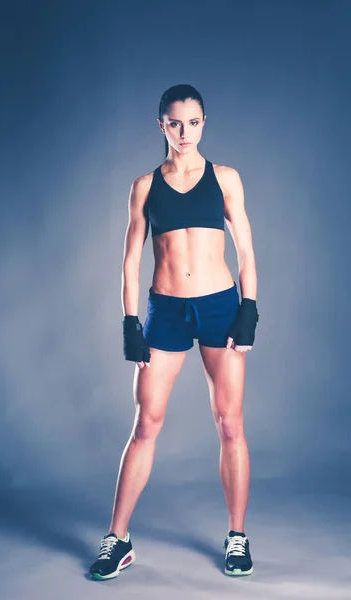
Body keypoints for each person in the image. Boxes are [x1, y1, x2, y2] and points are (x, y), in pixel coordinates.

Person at [89, 84, 259, 581]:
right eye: (175, 123)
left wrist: (248, 309)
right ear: (161, 124)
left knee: (230, 424)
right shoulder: (144, 186)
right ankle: (118, 539)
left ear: (206, 122)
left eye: (194, 122)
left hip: (219, 308)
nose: (185, 133)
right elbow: (130, 260)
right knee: (146, 424)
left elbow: (245, 250)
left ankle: (237, 537)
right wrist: (129, 324)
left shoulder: (225, 178)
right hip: (164, 311)